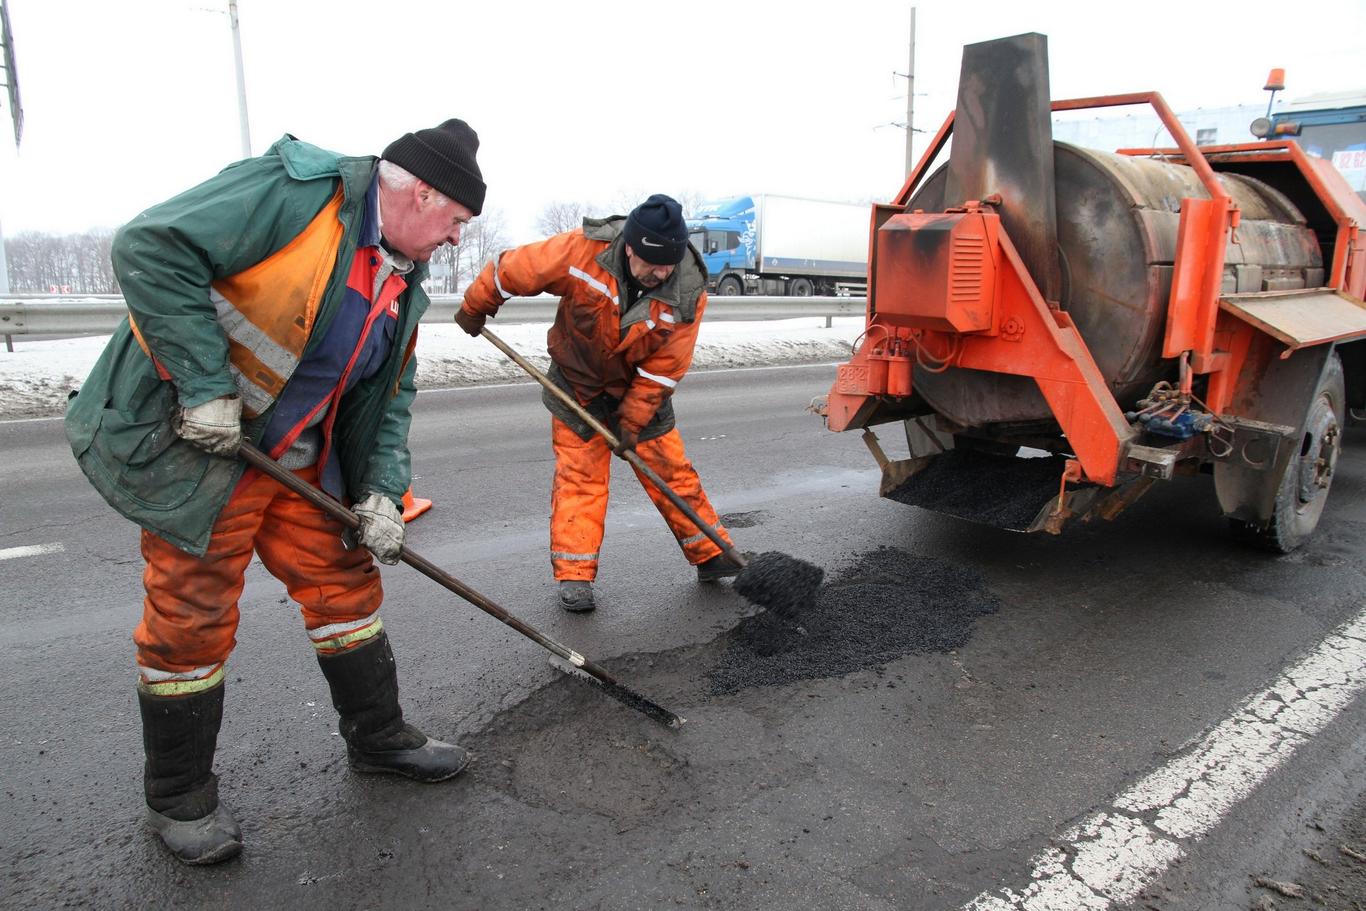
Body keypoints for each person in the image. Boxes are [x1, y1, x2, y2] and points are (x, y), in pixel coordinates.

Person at [64, 119, 487, 865]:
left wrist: (382, 492)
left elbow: (389, 396)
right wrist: (203, 386)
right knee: (190, 613)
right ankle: (178, 797)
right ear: (420, 193)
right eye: (456, 220)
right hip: (206, 445)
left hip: (296, 458)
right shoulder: (296, 196)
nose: (457, 238)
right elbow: (149, 246)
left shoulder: (401, 278)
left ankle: (378, 737)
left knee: (345, 588)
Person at [455, 194, 744, 613]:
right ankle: (575, 575)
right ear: (629, 248)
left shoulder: (688, 289)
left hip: (639, 387)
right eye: (651, 263)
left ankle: (712, 553)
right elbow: (514, 269)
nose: (659, 273)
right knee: (580, 478)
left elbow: (665, 367)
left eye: (667, 265)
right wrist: (476, 305)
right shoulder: (583, 251)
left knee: (671, 472)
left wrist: (633, 420)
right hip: (578, 383)